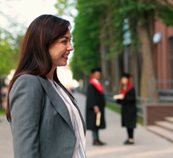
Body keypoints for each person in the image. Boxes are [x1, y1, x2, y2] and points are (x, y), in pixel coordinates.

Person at [6, 15, 86, 158]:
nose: (70, 47)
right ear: (43, 43)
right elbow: (26, 152)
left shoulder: (56, 86)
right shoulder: (28, 83)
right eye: (64, 41)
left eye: (70, 41)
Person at [113, 73, 137, 145]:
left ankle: (131, 139)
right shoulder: (123, 88)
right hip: (125, 109)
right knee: (127, 124)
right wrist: (118, 99)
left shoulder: (131, 88)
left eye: (124, 79)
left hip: (131, 109)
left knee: (130, 124)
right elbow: (121, 101)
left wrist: (124, 98)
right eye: (122, 79)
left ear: (127, 80)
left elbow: (133, 99)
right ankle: (129, 138)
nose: (122, 80)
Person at [85, 67, 106, 146]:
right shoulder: (92, 84)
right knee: (94, 124)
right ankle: (95, 140)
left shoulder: (97, 83)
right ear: (93, 75)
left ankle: (97, 139)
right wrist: (95, 106)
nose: (98, 75)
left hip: (98, 107)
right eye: (97, 74)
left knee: (97, 123)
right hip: (94, 108)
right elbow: (91, 96)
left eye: (99, 74)